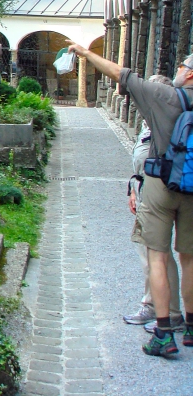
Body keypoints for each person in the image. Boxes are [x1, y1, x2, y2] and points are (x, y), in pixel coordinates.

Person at [69, 44, 193, 358]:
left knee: (157, 257)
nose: (176, 69)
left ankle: (164, 333)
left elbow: (120, 73)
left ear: (190, 73)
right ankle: (191, 328)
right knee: (191, 259)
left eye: (180, 66)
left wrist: (84, 52)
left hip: (160, 186)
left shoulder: (164, 96)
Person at [122, 75, 182, 329]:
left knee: (156, 255)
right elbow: (141, 164)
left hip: (161, 196)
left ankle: (164, 310)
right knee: (153, 255)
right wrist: (134, 189)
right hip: (146, 192)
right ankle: (164, 309)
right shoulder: (149, 125)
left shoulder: (165, 125)